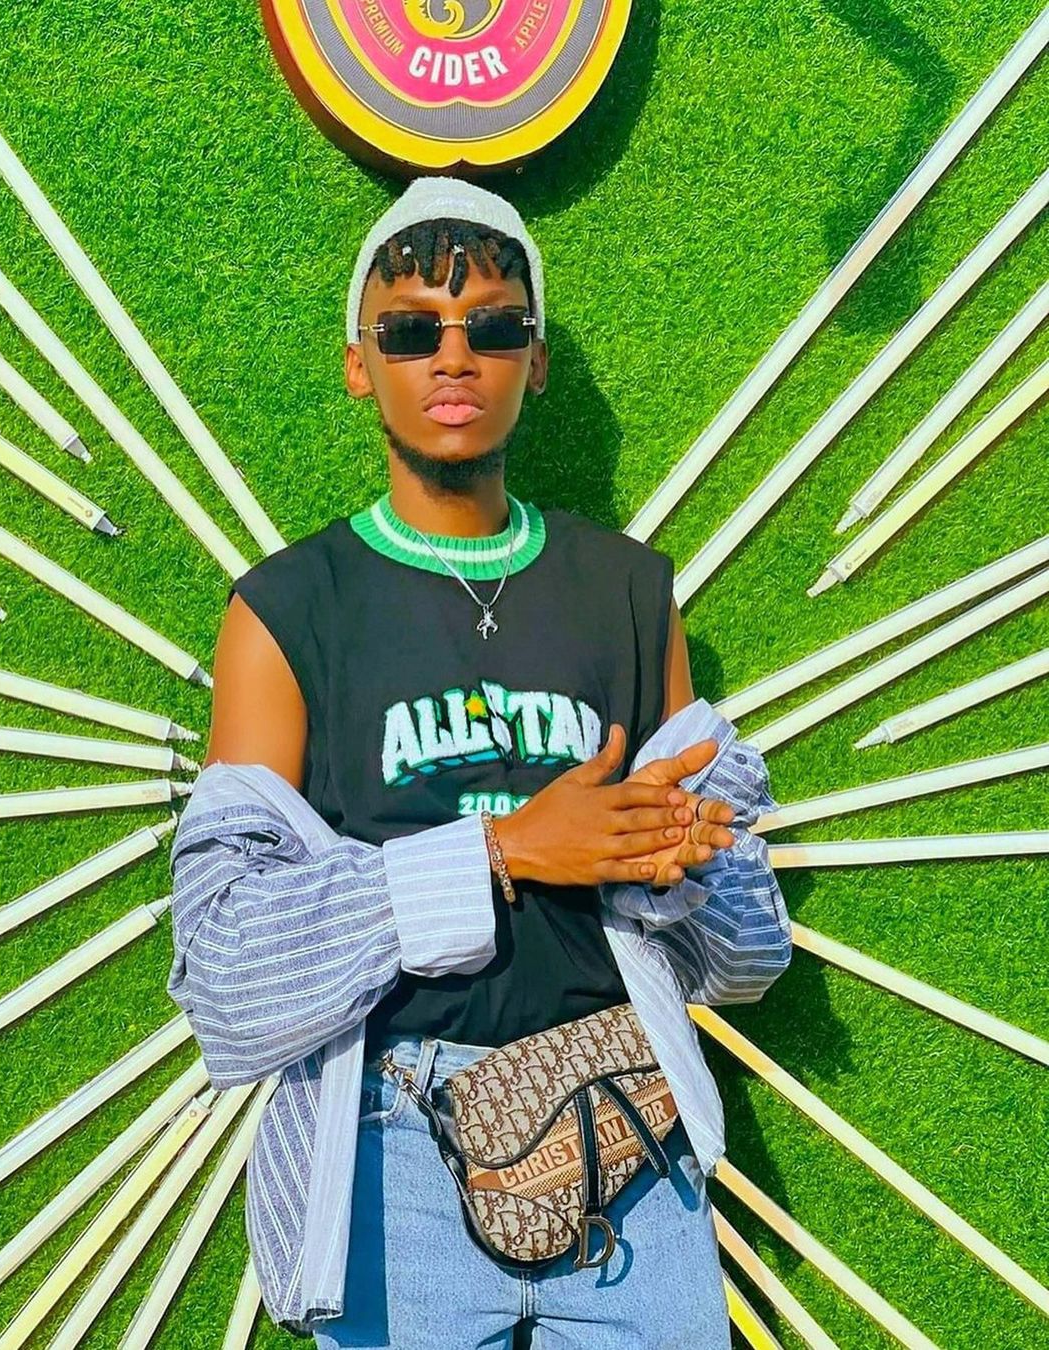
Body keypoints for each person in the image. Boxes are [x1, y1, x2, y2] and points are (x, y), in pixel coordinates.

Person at [168, 176, 791, 1348]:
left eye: (493, 326)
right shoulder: (289, 609)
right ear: (361, 364)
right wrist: (505, 851)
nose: (453, 356)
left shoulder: (627, 590)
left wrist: (675, 861)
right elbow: (227, 974)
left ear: (534, 361)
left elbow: (747, 956)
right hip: (391, 1146)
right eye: (411, 330)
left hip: (626, 1133)